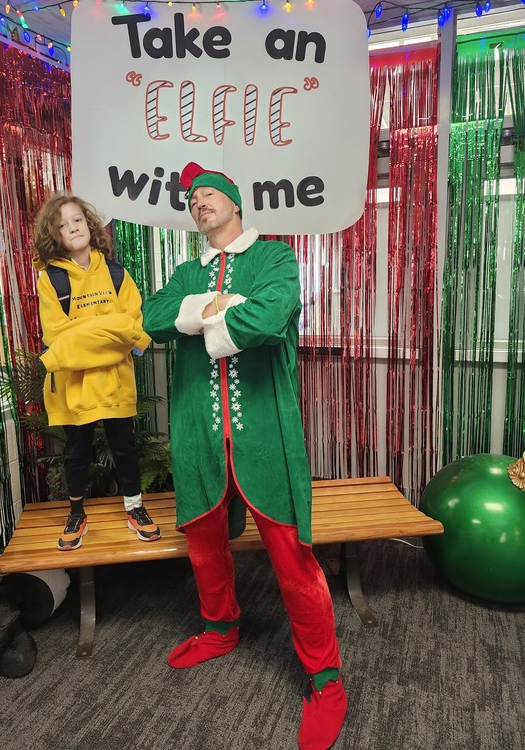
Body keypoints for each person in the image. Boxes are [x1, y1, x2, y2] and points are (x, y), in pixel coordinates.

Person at [143, 163, 346, 749]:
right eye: (191, 200)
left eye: (208, 194)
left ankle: (326, 678)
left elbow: (267, 316)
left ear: (236, 203)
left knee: (292, 557)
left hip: (263, 433)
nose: (198, 203)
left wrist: (202, 314)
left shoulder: (276, 260)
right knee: (203, 544)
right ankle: (220, 626)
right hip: (200, 436)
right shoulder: (185, 269)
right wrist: (218, 301)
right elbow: (154, 317)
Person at [33, 193, 161, 550]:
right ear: (54, 236)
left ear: (89, 224)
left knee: (125, 449)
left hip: (116, 385)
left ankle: (135, 507)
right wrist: (110, 327)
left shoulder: (117, 273)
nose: (72, 228)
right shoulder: (50, 280)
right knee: (76, 452)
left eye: (77, 220)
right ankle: (77, 513)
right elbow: (56, 336)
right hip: (74, 388)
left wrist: (83, 334)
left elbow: (133, 327)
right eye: (62, 225)